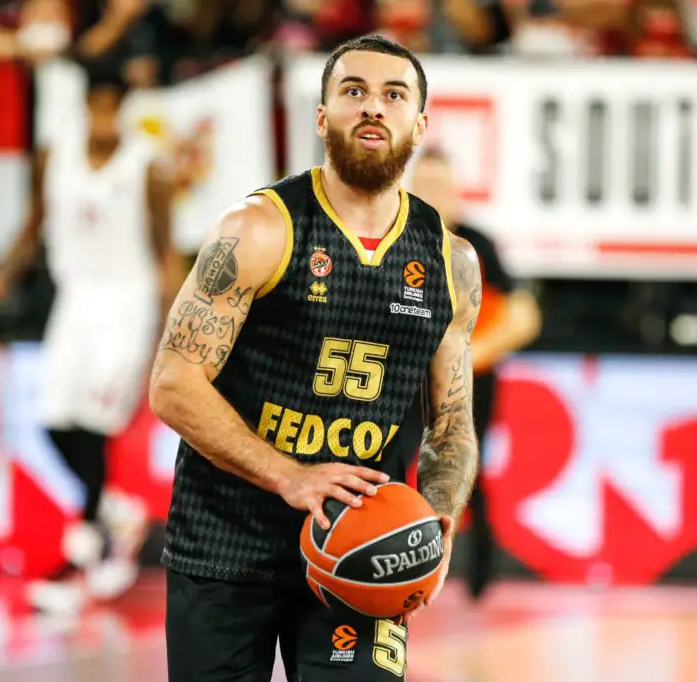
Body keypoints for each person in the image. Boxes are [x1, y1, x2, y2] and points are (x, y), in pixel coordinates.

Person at [149, 34, 482, 681]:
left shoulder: (450, 262)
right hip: (225, 541)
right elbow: (172, 382)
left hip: (362, 547)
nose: (373, 107)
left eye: (394, 95)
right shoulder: (258, 228)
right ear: (323, 117)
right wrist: (289, 475)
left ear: (420, 124)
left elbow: (452, 424)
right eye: (354, 91)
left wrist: (437, 520)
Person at [0, 64, 177, 614]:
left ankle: (77, 558)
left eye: (113, 105)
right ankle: (113, 512)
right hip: (75, 299)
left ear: (124, 109)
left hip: (128, 304)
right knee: (54, 419)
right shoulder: (55, 158)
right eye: (96, 104)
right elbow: (31, 230)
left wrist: (177, 328)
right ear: (84, 107)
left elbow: (165, 252)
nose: (103, 116)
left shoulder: (147, 166)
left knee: (96, 426)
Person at [410, 147, 542, 599]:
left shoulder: (476, 247)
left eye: (439, 187)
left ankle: (479, 578)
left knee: (466, 469)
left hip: (467, 382)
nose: (432, 196)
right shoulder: (395, 239)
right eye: (424, 186)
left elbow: (525, 317)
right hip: (406, 376)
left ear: (455, 194)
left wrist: (471, 356)